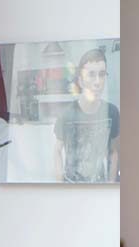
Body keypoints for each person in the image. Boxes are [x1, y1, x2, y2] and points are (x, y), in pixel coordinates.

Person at [54, 47, 120, 183]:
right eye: (91, 74)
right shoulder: (66, 114)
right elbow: (56, 151)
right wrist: (60, 184)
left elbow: (114, 152)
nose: (97, 82)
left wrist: (111, 184)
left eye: (102, 74)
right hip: (71, 189)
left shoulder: (112, 112)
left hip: (100, 188)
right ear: (81, 80)